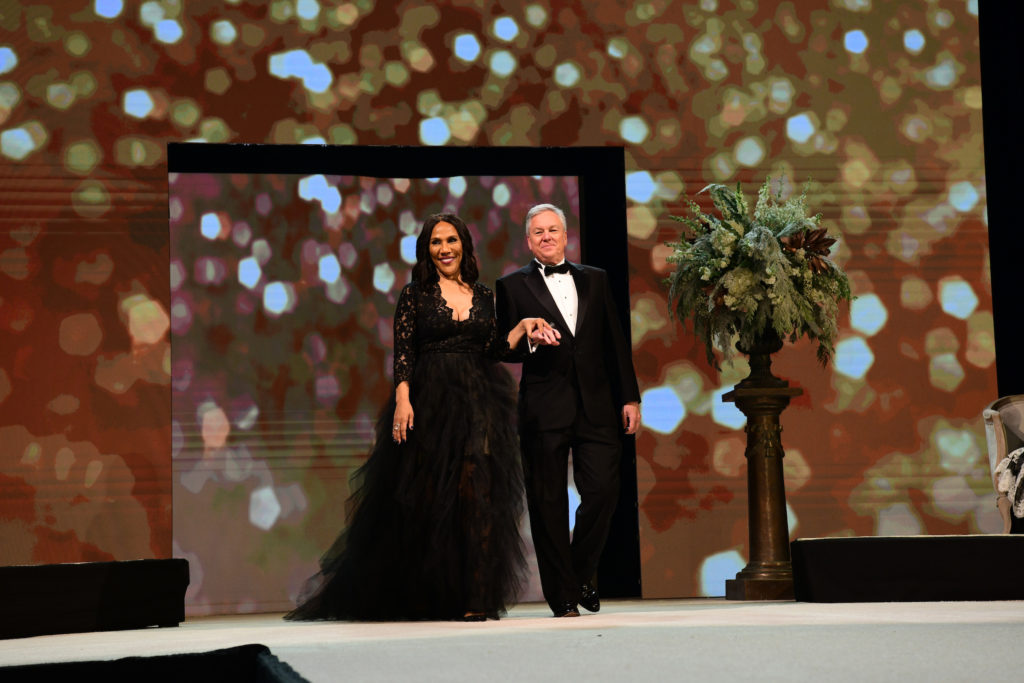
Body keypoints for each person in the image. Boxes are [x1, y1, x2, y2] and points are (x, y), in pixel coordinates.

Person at [287, 213, 553, 622]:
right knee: (430, 501)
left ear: (463, 243)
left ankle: (477, 596)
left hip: (480, 401)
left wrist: (521, 327)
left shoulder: (483, 294)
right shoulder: (415, 294)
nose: (444, 248)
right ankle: (432, 596)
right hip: (430, 402)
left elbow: (495, 349)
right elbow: (404, 350)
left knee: (479, 495)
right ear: (427, 250)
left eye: (450, 240)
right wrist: (403, 398)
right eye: (435, 242)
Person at [495, 203, 641, 618]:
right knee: (548, 503)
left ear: (565, 234)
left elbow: (615, 340)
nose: (546, 236)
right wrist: (531, 338)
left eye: (553, 230)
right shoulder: (511, 286)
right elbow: (502, 350)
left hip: (597, 406)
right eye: (537, 232)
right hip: (545, 408)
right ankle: (562, 594)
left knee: (603, 492)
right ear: (528, 240)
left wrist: (629, 398)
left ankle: (579, 574)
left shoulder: (595, 278)